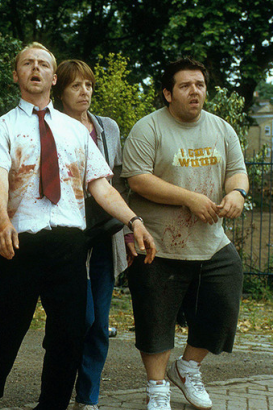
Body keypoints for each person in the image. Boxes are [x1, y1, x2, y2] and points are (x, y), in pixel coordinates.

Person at [0, 43, 156, 410]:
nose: (35, 69)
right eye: (27, 63)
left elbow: (101, 185)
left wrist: (133, 220)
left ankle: (52, 405)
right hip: (19, 242)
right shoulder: (4, 126)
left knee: (69, 335)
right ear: (16, 75)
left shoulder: (75, 131)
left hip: (70, 245)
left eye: (43, 64)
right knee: (5, 331)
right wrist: (1, 220)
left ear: (54, 78)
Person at [121, 58, 248, 410]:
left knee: (222, 306)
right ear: (168, 93)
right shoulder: (148, 129)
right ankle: (157, 388)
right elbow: (138, 179)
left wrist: (237, 193)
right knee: (155, 321)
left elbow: (237, 171)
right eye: (186, 85)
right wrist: (189, 198)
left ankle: (187, 368)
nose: (195, 91)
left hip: (211, 242)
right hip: (157, 244)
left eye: (200, 85)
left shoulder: (222, 129)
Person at [53, 59, 128, 410]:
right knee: (78, 319)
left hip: (105, 236)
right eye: (75, 86)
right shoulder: (51, 126)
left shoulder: (107, 127)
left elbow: (119, 179)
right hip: (69, 237)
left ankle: (88, 398)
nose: (84, 92)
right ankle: (58, 383)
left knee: (98, 323)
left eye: (88, 85)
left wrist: (129, 231)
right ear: (60, 92)